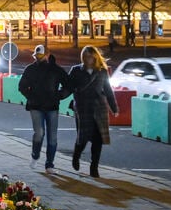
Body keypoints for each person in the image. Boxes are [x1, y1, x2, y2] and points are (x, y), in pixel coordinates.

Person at [18, 44, 71, 174]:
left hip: (52, 107)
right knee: (39, 133)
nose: (38, 58)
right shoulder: (30, 69)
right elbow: (22, 86)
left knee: (52, 137)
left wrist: (59, 96)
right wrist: (31, 97)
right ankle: (35, 155)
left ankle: (49, 164)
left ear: (47, 55)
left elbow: (68, 85)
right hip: (36, 106)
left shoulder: (56, 70)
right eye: (36, 56)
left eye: (40, 56)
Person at [69, 46, 118, 178]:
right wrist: (58, 96)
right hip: (83, 107)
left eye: (91, 56)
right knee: (83, 137)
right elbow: (68, 87)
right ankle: (76, 156)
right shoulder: (76, 70)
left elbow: (108, 90)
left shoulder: (102, 71)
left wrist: (114, 108)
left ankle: (94, 168)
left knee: (98, 139)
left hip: (99, 107)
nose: (88, 59)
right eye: (86, 56)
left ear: (95, 56)